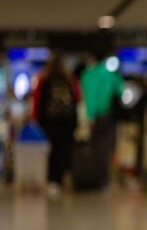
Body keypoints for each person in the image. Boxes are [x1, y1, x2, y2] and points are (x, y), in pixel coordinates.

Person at [31, 51, 82, 197]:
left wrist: (36, 121)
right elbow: (77, 100)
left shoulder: (45, 80)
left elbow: (38, 102)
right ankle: (62, 178)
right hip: (67, 123)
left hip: (49, 123)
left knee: (51, 152)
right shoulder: (69, 80)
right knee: (64, 150)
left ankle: (52, 180)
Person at [80, 52, 124, 186]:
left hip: (95, 116)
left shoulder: (87, 75)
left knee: (94, 147)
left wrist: (90, 116)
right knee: (107, 147)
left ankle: (95, 178)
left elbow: (89, 97)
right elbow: (120, 90)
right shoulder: (109, 73)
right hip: (108, 116)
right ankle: (105, 178)